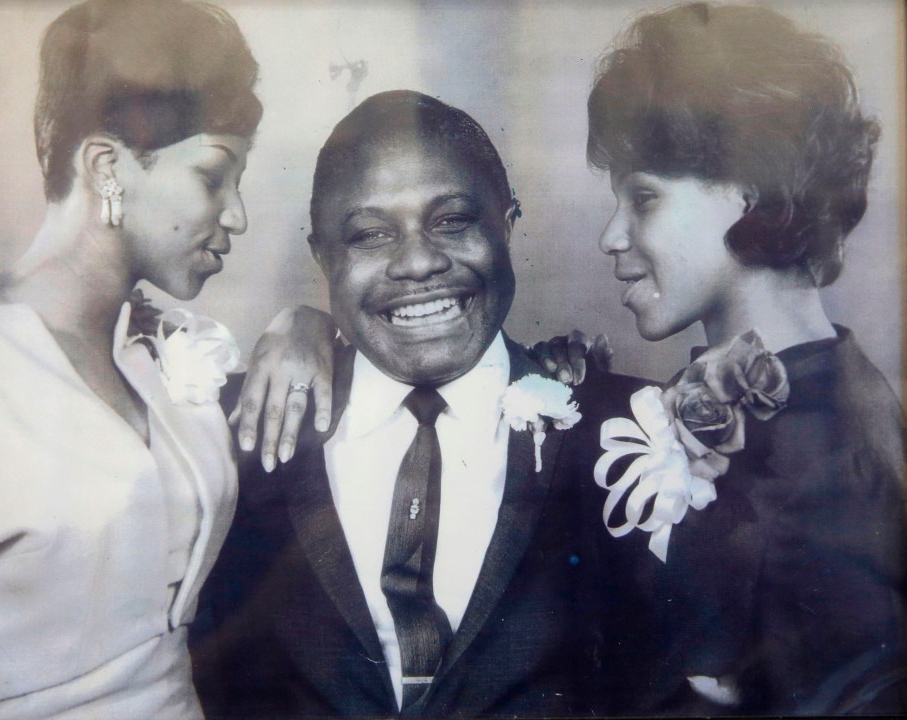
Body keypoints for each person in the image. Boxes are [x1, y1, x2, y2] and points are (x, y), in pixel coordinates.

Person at [190, 90, 641, 718]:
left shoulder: (628, 432)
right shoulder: (233, 429)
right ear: (323, 256)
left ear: (506, 225)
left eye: (452, 220)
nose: (420, 261)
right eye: (371, 234)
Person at [0, 1, 282, 717]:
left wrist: (305, 325)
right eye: (213, 176)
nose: (238, 216)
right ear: (107, 167)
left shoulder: (160, 351)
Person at [575, 2, 906, 715]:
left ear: (746, 194)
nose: (610, 236)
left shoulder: (821, 461)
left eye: (643, 198)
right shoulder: (833, 393)